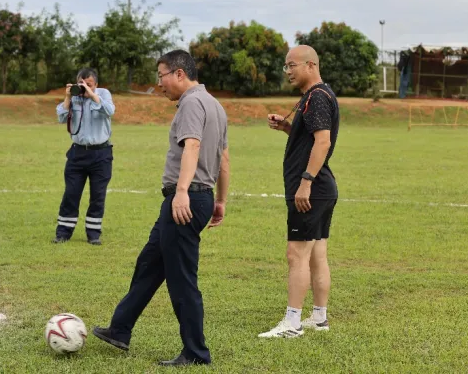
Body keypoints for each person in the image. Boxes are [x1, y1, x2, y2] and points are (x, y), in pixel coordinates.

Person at [92, 50, 229, 367]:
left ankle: (196, 353)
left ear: (179, 74)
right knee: (150, 264)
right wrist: (220, 200)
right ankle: (120, 328)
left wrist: (182, 191)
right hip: (199, 196)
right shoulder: (215, 105)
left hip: (186, 199)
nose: (159, 83)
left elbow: (192, 145)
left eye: (161, 75)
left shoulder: (193, 103)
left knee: (182, 279)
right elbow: (224, 159)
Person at [258, 45, 339, 338]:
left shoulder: (316, 97)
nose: (288, 71)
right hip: (322, 187)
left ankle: (292, 323)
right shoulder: (317, 96)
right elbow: (309, 138)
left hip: (312, 189)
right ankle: (318, 318)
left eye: (292, 65)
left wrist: (305, 182)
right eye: (285, 66)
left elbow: (323, 142)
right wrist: (287, 128)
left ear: (311, 65)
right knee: (317, 254)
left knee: (296, 254)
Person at [53, 68, 115, 245]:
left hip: (101, 153)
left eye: (90, 85)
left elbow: (110, 110)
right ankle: (63, 233)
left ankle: (93, 234)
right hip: (78, 152)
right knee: (71, 193)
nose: (85, 88)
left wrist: (92, 95)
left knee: (98, 195)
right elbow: (61, 117)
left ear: (96, 84)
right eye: (82, 84)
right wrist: (68, 97)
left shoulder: (103, 94)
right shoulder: (74, 96)